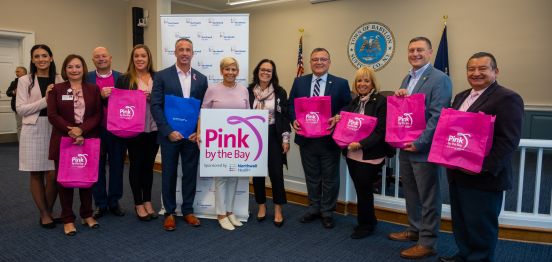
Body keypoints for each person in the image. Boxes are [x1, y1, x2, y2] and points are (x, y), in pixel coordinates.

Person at [439, 52, 524, 262]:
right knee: (461, 221)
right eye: (471, 69)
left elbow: (508, 142)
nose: (476, 73)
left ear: (495, 71)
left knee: (481, 226)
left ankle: (479, 259)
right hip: (457, 174)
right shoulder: (460, 96)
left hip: (484, 178)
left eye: (482, 69)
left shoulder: (507, 98)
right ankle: (464, 254)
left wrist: (481, 167)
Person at [387, 36, 452, 259]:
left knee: (429, 197)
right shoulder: (408, 78)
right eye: (411, 50)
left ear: (430, 52)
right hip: (405, 146)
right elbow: (408, 110)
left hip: (424, 148)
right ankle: (414, 230)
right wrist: (400, 96)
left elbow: (438, 116)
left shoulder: (439, 78)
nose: (415, 53)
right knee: (411, 193)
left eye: (420, 50)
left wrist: (421, 142)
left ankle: (428, 242)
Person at [288, 47, 351, 229]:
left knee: (330, 177)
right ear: (310, 62)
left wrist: (338, 116)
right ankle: (314, 208)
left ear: (329, 62)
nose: (319, 62)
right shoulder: (299, 82)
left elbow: (347, 105)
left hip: (329, 139)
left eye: (323, 59)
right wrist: (293, 120)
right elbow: (291, 104)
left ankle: (327, 211)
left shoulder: (340, 83)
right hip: (306, 139)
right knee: (312, 176)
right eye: (315, 59)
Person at [151, 38, 208, 231]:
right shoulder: (161, 76)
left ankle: (188, 210)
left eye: (188, 50)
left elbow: (203, 109)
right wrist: (168, 131)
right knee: (168, 173)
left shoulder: (201, 79)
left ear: (193, 53)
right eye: (181, 49)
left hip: (191, 137)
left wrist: (198, 131)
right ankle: (169, 212)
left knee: (190, 173)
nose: (184, 53)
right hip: (170, 136)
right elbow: (156, 106)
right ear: (175, 52)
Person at [47, 54, 102, 236]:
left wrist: (82, 131)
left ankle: (87, 214)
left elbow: (97, 115)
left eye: (78, 66)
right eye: (70, 67)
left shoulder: (93, 89)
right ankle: (68, 219)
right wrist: (72, 131)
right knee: (65, 182)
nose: (74, 70)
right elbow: (53, 115)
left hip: (87, 139)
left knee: (86, 180)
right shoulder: (57, 89)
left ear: (83, 68)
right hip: (64, 140)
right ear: (65, 70)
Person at [16, 44, 64, 229]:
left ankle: (49, 210)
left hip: (55, 129)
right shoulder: (25, 80)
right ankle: (44, 214)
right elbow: (21, 109)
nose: (41, 59)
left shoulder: (60, 78)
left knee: (53, 174)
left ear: (51, 58)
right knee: (36, 173)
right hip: (34, 129)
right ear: (33, 60)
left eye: (45, 55)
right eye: (37, 56)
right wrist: (46, 99)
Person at [339, 66, 389, 239]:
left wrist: (360, 144)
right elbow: (347, 127)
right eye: (359, 80)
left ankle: (365, 225)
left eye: (366, 80)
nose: (362, 84)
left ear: (373, 83)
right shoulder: (354, 102)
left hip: (370, 154)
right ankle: (371, 219)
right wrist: (340, 119)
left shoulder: (382, 102)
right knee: (360, 188)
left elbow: (380, 131)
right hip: (352, 153)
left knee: (364, 189)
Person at [202, 57, 249, 231]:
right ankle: (220, 214)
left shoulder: (244, 90)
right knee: (221, 178)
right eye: (227, 69)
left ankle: (230, 211)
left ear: (237, 71)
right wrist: (201, 133)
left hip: (238, 141)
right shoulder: (212, 90)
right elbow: (203, 113)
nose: (230, 72)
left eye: (233, 69)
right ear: (221, 71)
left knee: (233, 177)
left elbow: (248, 115)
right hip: (218, 140)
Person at [115, 44, 159, 221]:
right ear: (132, 59)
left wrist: (152, 97)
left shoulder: (158, 77)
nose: (140, 59)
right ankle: (138, 203)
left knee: (149, 166)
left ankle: (148, 200)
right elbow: (119, 104)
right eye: (136, 56)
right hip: (134, 129)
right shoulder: (125, 79)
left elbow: (164, 100)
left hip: (154, 127)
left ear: (149, 58)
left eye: (143, 56)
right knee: (136, 165)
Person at [247, 59, 290, 227]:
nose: (265, 73)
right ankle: (261, 206)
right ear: (257, 71)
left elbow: (284, 117)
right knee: (257, 173)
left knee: (276, 174)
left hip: (273, 135)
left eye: (269, 71)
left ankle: (278, 209)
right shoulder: (248, 91)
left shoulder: (280, 92)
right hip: (253, 136)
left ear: (273, 74)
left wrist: (285, 139)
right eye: (263, 69)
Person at [86, 46, 125, 218]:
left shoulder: (122, 77)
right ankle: (100, 203)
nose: (101, 59)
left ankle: (114, 201)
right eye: (97, 57)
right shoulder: (86, 78)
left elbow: (128, 101)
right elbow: (83, 103)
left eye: (104, 56)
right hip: (95, 129)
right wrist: (100, 97)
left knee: (117, 167)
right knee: (97, 167)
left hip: (118, 130)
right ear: (93, 60)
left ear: (110, 58)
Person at [6, 66, 28, 141]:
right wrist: (14, 92)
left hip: (29, 108)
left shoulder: (30, 81)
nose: (16, 73)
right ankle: (21, 143)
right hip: (17, 108)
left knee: (28, 126)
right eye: (16, 72)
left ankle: (27, 142)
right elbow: (8, 93)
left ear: (24, 72)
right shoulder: (14, 82)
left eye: (18, 71)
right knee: (20, 126)